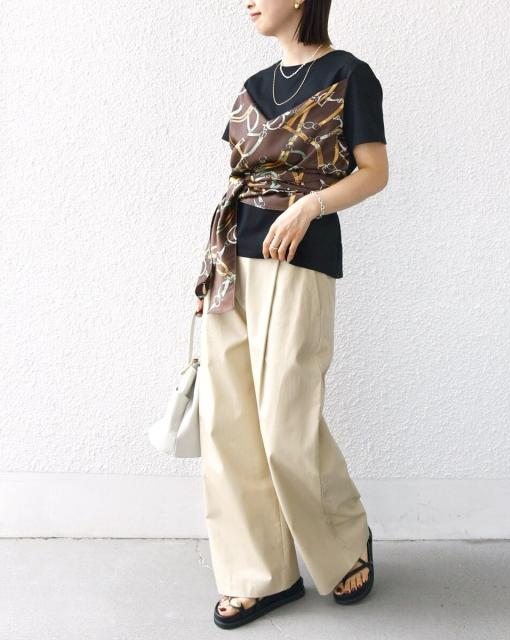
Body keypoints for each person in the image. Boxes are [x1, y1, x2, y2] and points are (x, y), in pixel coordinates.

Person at [193, 0, 388, 629]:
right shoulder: (254, 85)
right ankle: (260, 576)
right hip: (232, 262)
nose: (246, 1)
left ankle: (344, 541)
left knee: (285, 422)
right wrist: (208, 274)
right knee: (229, 425)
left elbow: (374, 173)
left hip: (298, 257)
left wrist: (309, 207)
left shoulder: (349, 75)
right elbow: (241, 180)